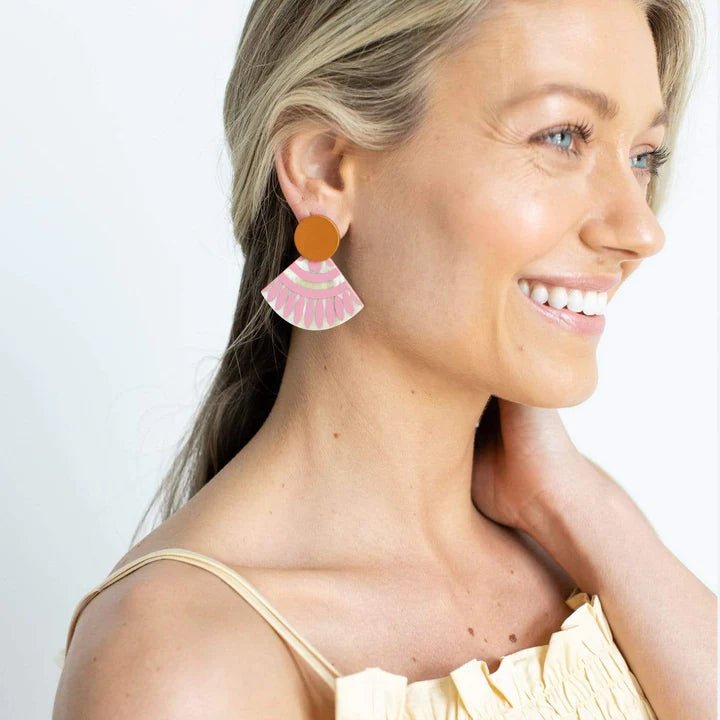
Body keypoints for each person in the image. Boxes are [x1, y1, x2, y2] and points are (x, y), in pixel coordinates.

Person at [53, 0, 716, 718]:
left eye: (643, 156)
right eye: (561, 137)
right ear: (326, 171)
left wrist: (586, 506)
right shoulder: (181, 663)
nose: (640, 230)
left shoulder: (589, 559)